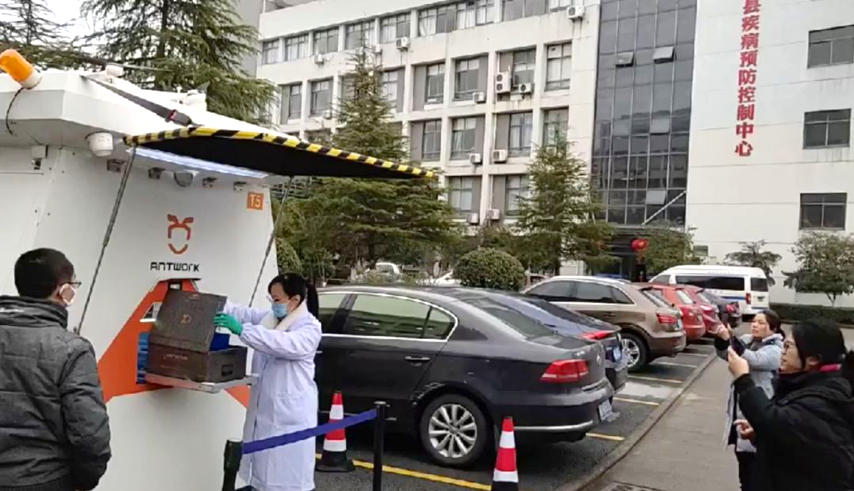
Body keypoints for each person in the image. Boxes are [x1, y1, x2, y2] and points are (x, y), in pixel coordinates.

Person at [0, 248, 111, 491]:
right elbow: (89, 434)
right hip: (44, 479)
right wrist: (83, 480)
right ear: (64, 291)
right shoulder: (72, 349)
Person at [215, 273, 321, 491]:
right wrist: (211, 302)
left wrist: (242, 330)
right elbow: (243, 313)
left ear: (295, 300)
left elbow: (279, 343)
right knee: (262, 472)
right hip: (265, 410)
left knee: (285, 476)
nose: (273, 304)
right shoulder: (270, 319)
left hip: (290, 416)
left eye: (277, 299)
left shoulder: (309, 328)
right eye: (271, 298)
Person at [727, 318, 854, 491]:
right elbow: (796, 443)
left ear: (813, 359)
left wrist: (743, 378)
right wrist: (760, 436)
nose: (782, 353)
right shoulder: (804, 384)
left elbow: (770, 420)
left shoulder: (823, 397)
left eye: (788, 347)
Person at [714, 311, 784, 491]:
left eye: (761, 322)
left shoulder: (776, 349)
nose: (755, 325)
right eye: (754, 321)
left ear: (773, 328)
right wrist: (722, 340)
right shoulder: (748, 340)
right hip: (740, 410)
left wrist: (731, 339)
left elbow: (754, 360)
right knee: (744, 469)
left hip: (759, 411)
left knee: (756, 471)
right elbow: (726, 354)